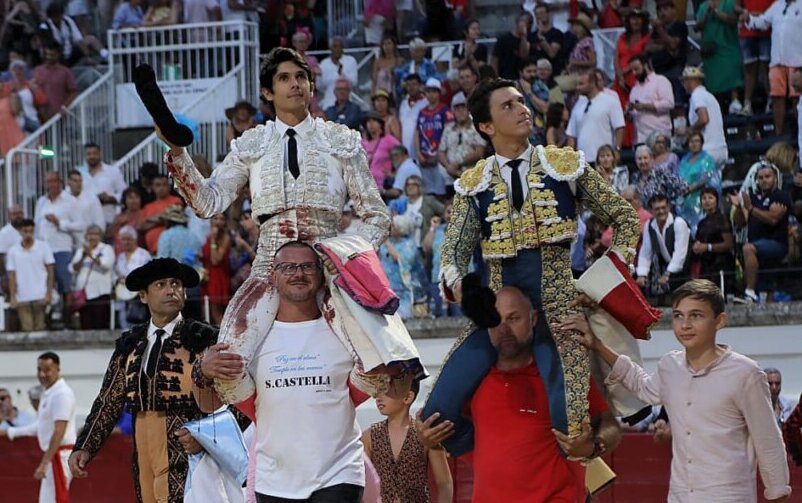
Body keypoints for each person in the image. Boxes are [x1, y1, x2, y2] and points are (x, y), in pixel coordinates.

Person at [161, 47, 406, 405]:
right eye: (284, 78)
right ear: (267, 92)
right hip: (268, 263)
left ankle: (330, 417)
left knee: (381, 361)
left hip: (329, 263)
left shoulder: (339, 139)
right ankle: (271, 422)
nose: (295, 84)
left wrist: (346, 256)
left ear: (311, 86)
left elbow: (377, 214)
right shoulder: (253, 143)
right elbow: (207, 202)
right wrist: (177, 153)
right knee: (227, 361)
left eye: (301, 77)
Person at [424, 78, 639, 454]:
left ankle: (575, 479)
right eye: (507, 105)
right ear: (486, 127)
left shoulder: (564, 165)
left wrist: (600, 284)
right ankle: (505, 446)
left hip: (560, 311)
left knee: (571, 425)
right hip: (500, 314)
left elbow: (625, 218)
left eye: (522, 102)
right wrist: (466, 291)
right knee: (436, 415)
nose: (522, 109)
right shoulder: (473, 184)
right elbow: (453, 254)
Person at [198, 242, 409, 503]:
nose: (298, 273)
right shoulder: (251, 342)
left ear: (321, 275)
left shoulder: (348, 333)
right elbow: (216, 402)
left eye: (307, 266)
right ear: (273, 276)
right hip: (273, 478)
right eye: (288, 267)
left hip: (339, 473)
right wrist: (204, 370)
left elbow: (388, 386)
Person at [576, 279, 792, 502]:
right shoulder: (670, 366)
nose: (685, 325)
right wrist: (598, 346)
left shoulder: (746, 373)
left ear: (720, 321)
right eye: (679, 315)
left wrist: (778, 495)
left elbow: (768, 442)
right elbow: (642, 386)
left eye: (696, 315)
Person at [419, 287, 622, 501]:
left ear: (533, 318)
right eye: (495, 320)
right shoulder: (473, 382)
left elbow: (610, 425)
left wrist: (592, 446)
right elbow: (452, 435)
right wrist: (430, 440)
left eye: (513, 318)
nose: (504, 329)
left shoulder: (561, 376)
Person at [69, 258, 243, 503]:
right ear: (143, 296)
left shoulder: (206, 338)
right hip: (143, 450)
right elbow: (109, 400)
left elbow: (241, 399)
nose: (171, 290)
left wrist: (207, 438)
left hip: (191, 450)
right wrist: (85, 445)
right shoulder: (130, 343)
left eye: (176, 284)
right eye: (161, 284)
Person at [1, 352, 77, 503]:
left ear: (57, 369)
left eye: (47, 370)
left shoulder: (62, 394)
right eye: (39, 370)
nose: (42, 374)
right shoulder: (49, 392)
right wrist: (11, 432)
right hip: (53, 456)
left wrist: (44, 462)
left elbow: (59, 431)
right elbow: (40, 426)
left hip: (59, 457)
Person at [363, 378, 453, 503]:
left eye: (387, 391)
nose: (378, 397)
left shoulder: (425, 435)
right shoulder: (369, 436)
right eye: (378, 391)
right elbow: (361, 482)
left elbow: (444, 483)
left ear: (407, 397)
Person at [730, 162, 790, 303]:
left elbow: (773, 219)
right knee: (749, 249)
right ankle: (756, 296)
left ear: (775, 178)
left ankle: (749, 291)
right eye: (761, 177)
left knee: (748, 248)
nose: (764, 180)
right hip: (757, 243)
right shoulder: (752, 197)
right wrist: (739, 207)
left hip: (776, 243)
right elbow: (741, 222)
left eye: (767, 176)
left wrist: (751, 209)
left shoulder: (780, 196)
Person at [741, 0, 802, 135]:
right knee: (777, 96)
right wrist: (749, 18)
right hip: (777, 60)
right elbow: (762, 22)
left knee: (797, 97)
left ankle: (799, 130)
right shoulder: (777, 5)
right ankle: (778, 133)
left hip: (797, 61)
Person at [34, 171, 82, 306]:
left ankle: (67, 320)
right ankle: (48, 322)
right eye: (48, 182)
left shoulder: (70, 201)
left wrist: (59, 223)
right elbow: (37, 225)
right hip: (43, 249)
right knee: (44, 284)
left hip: (61, 248)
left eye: (54, 181)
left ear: (60, 182)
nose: (52, 184)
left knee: (64, 283)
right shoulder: (41, 201)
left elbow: (80, 224)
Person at [636, 194, 691, 299]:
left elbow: (680, 254)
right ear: (651, 211)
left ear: (669, 207)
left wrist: (667, 274)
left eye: (663, 208)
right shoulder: (649, 224)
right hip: (666, 269)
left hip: (684, 269)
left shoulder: (679, 223)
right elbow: (645, 251)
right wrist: (642, 274)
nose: (661, 211)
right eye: (657, 209)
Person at [6, 219, 55, 331]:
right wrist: (13, 296)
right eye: (25, 231)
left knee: (41, 328)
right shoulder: (13, 251)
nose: (28, 234)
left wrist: (49, 293)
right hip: (22, 297)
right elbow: (12, 275)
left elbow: (50, 271)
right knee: (27, 329)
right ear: (20, 232)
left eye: (31, 231)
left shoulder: (43, 247)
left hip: (40, 295)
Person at [695, 0, 743, 111]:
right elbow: (697, 27)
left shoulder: (729, 3)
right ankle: (714, 104)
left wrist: (716, 12)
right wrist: (706, 15)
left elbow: (733, 21)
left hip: (728, 46)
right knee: (712, 79)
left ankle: (734, 100)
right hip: (711, 50)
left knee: (732, 72)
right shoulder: (703, 7)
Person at [567, 70, 626, 160]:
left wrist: (617, 150)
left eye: (581, 84)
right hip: (583, 161)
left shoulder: (610, 101)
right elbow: (571, 134)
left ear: (592, 83)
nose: (578, 88)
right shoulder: (578, 104)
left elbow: (619, 127)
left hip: (604, 159)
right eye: (577, 84)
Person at [681, 66, 728, 169]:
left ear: (689, 81)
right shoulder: (710, 96)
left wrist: (689, 130)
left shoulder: (697, 95)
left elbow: (703, 118)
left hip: (708, 149)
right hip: (721, 148)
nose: (683, 85)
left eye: (684, 81)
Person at [70, 224, 115, 329]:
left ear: (100, 236)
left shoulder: (106, 249)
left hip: (100, 292)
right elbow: (73, 269)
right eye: (90, 234)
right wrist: (83, 257)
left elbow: (106, 265)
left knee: (99, 324)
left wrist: (91, 254)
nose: (92, 237)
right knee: (85, 325)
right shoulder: (80, 251)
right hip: (84, 294)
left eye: (95, 234)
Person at [438, 91, 486, 185]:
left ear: (468, 110)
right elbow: (441, 152)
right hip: (449, 175)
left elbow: (479, 152)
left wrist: (458, 163)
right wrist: (449, 167)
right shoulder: (448, 128)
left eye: (463, 107)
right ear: (453, 111)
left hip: (471, 176)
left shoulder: (476, 127)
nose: (460, 111)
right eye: (457, 109)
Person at [415, 78, 453, 197]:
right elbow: (417, 133)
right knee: (427, 192)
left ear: (438, 93)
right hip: (424, 157)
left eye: (434, 91)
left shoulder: (445, 110)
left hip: (440, 158)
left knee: (441, 192)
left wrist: (440, 155)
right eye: (428, 91)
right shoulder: (421, 112)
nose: (431, 95)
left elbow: (449, 133)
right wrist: (418, 154)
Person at [677, 131, 720, 233]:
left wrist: (690, 188)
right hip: (684, 200)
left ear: (701, 143)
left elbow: (706, 177)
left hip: (700, 198)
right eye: (691, 141)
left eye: (697, 141)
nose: (694, 144)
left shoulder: (707, 158)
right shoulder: (684, 159)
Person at [689, 187, 735, 282]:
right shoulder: (701, 223)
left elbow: (729, 244)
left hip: (721, 264)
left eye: (710, 198)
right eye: (704, 198)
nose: (707, 201)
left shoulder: (722, 219)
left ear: (716, 201)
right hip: (705, 266)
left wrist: (708, 247)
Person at [628, 54, 674, 144]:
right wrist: (629, 112)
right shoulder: (634, 89)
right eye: (632, 70)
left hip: (659, 136)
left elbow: (669, 103)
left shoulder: (660, 81)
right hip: (640, 138)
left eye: (637, 69)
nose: (634, 73)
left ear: (645, 66)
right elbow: (634, 113)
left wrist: (645, 106)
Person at [736, 0, 772, 116]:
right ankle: (747, 104)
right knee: (749, 69)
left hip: (766, 30)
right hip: (747, 31)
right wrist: (744, 12)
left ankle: (771, 101)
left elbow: (778, 7)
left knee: (765, 68)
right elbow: (735, 6)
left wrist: (756, 14)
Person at [80, 142, 128, 226]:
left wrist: (110, 198)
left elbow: (125, 193)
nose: (92, 156)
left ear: (100, 154)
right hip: (85, 221)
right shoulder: (80, 174)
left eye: (94, 153)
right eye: (88, 154)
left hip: (107, 220)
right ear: (85, 156)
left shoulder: (113, 171)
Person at [388, 175, 444, 246]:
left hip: (424, 243)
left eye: (413, 184)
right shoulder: (402, 203)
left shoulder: (429, 201)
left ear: (419, 186)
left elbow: (445, 212)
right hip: (407, 246)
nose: (410, 187)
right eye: (408, 185)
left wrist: (437, 221)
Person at [113, 225, 151, 329]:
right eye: (123, 240)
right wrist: (118, 278)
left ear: (134, 239)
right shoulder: (120, 257)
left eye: (128, 239)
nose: (126, 242)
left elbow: (148, 273)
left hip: (138, 296)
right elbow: (115, 273)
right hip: (123, 294)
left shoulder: (144, 254)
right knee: (123, 323)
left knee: (138, 324)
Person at [630, 144, 689, 208]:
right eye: (639, 159)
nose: (643, 161)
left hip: (660, 213)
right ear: (636, 161)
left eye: (645, 158)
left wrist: (670, 203)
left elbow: (684, 186)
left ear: (652, 159)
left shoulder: (661, 174)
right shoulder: (634, 177)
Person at [137, 174, 184, 255]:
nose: (161, 188)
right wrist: (162, 218)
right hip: (152, 251)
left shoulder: (176, 201)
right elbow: (141, 226)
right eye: (158, 185)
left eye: (164, 184)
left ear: (169, 187)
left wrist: (149, 219)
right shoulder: (148, 207)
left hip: (172, 250)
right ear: (153, 187)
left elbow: (172, 218)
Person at [31, 42, 77, 120]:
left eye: (52, 55)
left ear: (58, 55)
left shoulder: (65, 72)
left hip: (59, 114)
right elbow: (33, 90)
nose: (49, 57)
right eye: (47, 54)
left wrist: (64, 107)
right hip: (41, 114)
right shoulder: (37, 71)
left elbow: (73, 92)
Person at [201, 214, 232, 326]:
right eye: (215, 218)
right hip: (209, 277)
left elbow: (215, 260)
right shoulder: (209, 237)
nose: (218, 221)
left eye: (221, 219)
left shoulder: (225, 238)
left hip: (219, 278)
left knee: (217, 314)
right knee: (208, 314)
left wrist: (213, 241)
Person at [65, 169, 105, 248]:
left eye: (80, 181)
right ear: (68, 182)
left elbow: (99, 222)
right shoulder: (63, 198)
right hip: (67, 244)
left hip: (88, 243)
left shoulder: (91, 198)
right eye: (75, 181)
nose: (78, 184)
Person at [318, 36, 359, 110]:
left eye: (340, 47)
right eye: (335, 46)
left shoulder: (351, 61)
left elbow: (354, 82)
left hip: (347, 104)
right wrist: (319, 77)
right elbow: (320, 87)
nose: (337, 49)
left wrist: (341, 73)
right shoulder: (324, 63)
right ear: (331, 48)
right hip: (329, 104)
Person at [362, 112, 401, 189]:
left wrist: (395, 174)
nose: (371, 124)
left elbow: (403, 156)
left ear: (380, 124)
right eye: (368, 121)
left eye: (374, 121)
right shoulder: (362, 142)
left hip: (382, 186)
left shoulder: (388, 140)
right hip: (365, 186)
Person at [491, 12, 533, 80]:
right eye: (522, 22)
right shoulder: (503, 39)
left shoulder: (529, 39)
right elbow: (495, 60)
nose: (523, 25)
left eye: (527, 23)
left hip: (521, 79)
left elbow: (524, 56)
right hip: (505, 76)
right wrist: (496, 78)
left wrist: (523, 36)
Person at [399, 73, 427, 162]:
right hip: (405, 150)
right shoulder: (403, 104)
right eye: (408, 85)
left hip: (421, 151)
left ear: (420, 85)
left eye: (414, 84)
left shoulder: (426, 103)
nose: (411, 87)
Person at [107, 187, 145, 254]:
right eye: (130, 197)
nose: (134, 200)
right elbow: (109, 235)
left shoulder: (145, 214)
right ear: (125, 200)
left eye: (136, 197)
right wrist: (118, 223)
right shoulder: (119, 216)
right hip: (120, 254)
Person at [371, 35, 404, 101]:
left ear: (394, 45)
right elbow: (374, 81)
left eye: (389, 43)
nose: (387, 46)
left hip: (395, 93)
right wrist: (372, 95)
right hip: (380, 93)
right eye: (384, 44)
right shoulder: (377, 62)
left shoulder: (400, 61)